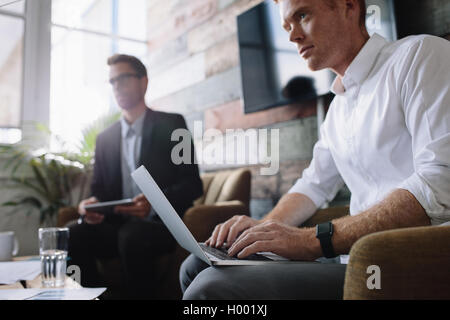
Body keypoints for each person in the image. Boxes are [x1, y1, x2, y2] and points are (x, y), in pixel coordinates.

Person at [180, 0, 450, 299]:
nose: (293, 35)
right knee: (195, 265)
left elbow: (440, 181)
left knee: (209, 288)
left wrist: (312, 241)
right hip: (355, 263)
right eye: (287, 26)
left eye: (303, 15)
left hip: (408, 265)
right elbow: (313, 184)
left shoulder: (419, 56)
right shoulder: (338, 110)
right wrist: (262, 229)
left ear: (348, 6)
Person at [68, 54, 203, 299]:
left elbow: (192, 185)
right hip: (117, 226)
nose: (117, 85)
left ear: (144, 82)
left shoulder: (173, 124)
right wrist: (89, 205)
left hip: (160, 226)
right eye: (112, 81)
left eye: (124, 78)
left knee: (133, 236)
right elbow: (99, 190)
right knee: (72, 233)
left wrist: (154, 203)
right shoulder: (104, 138)